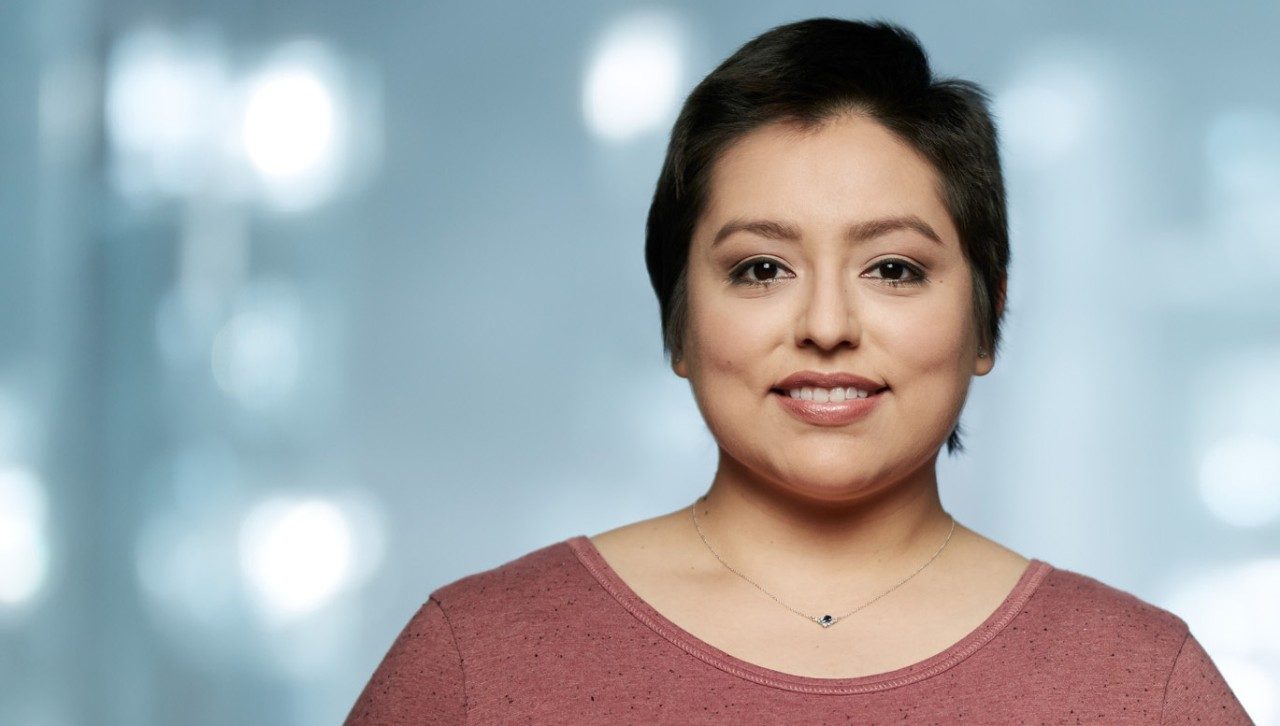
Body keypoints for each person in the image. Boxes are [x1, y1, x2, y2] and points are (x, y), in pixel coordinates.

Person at [346, 18, 1252, 724]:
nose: (826, 327)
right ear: (677, 319)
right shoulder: (477, 662)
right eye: (760, 269)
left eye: (893, 268)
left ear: (989, 315)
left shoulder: (1139, 683)